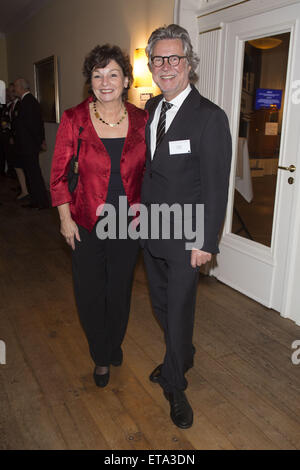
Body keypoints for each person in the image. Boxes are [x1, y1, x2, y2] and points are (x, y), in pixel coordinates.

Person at [141, 24, 232, 429]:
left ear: (189, 64)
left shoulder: (210, 118)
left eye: (174, 58)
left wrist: (205, 242)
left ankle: (175, 384)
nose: (166, 66)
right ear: (151, 65)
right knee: (161, 305)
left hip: (187, 236)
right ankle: (183, 352)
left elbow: (216, 186)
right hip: (151, 230)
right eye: (159, 59)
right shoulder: (150, 110)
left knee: (178, 309)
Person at [50, 44, 147, 388]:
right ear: (90, 81)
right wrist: (65, 221)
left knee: (119, 291)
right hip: (85, 224)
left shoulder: (142, 120)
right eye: (97, 75)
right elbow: (59, 176)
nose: (105, 82)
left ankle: (113, 342)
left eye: (113, 74)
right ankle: (100, 355)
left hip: (128, 225)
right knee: (90, 293)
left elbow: (152, 174)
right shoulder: (74, 119)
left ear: (126, 80)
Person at [13, 78, 49, 209]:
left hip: (29, 146)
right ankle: (36, 200)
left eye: (16, 86)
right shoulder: (26, 101)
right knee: (31, 173)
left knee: (34, 174)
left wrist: (39, 142)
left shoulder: (28, 102)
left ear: (22, 87)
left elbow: (35, 125)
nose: (14, 89)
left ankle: (40, 202)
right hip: (27, 145)